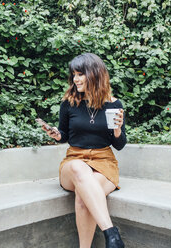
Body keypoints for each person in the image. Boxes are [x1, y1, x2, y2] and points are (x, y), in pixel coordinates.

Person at [41, 53, 126, 248]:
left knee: (83, 196)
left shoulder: (114, 105)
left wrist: (117, 129)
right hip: (74, 161)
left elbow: (119, 145)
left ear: (94, 74)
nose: (75, 79)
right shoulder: (69, 103)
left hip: (104, 162)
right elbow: (64, 135)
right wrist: (56, 135)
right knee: (79, 168)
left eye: (80, 74)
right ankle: (112, 235)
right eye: (74, 75)